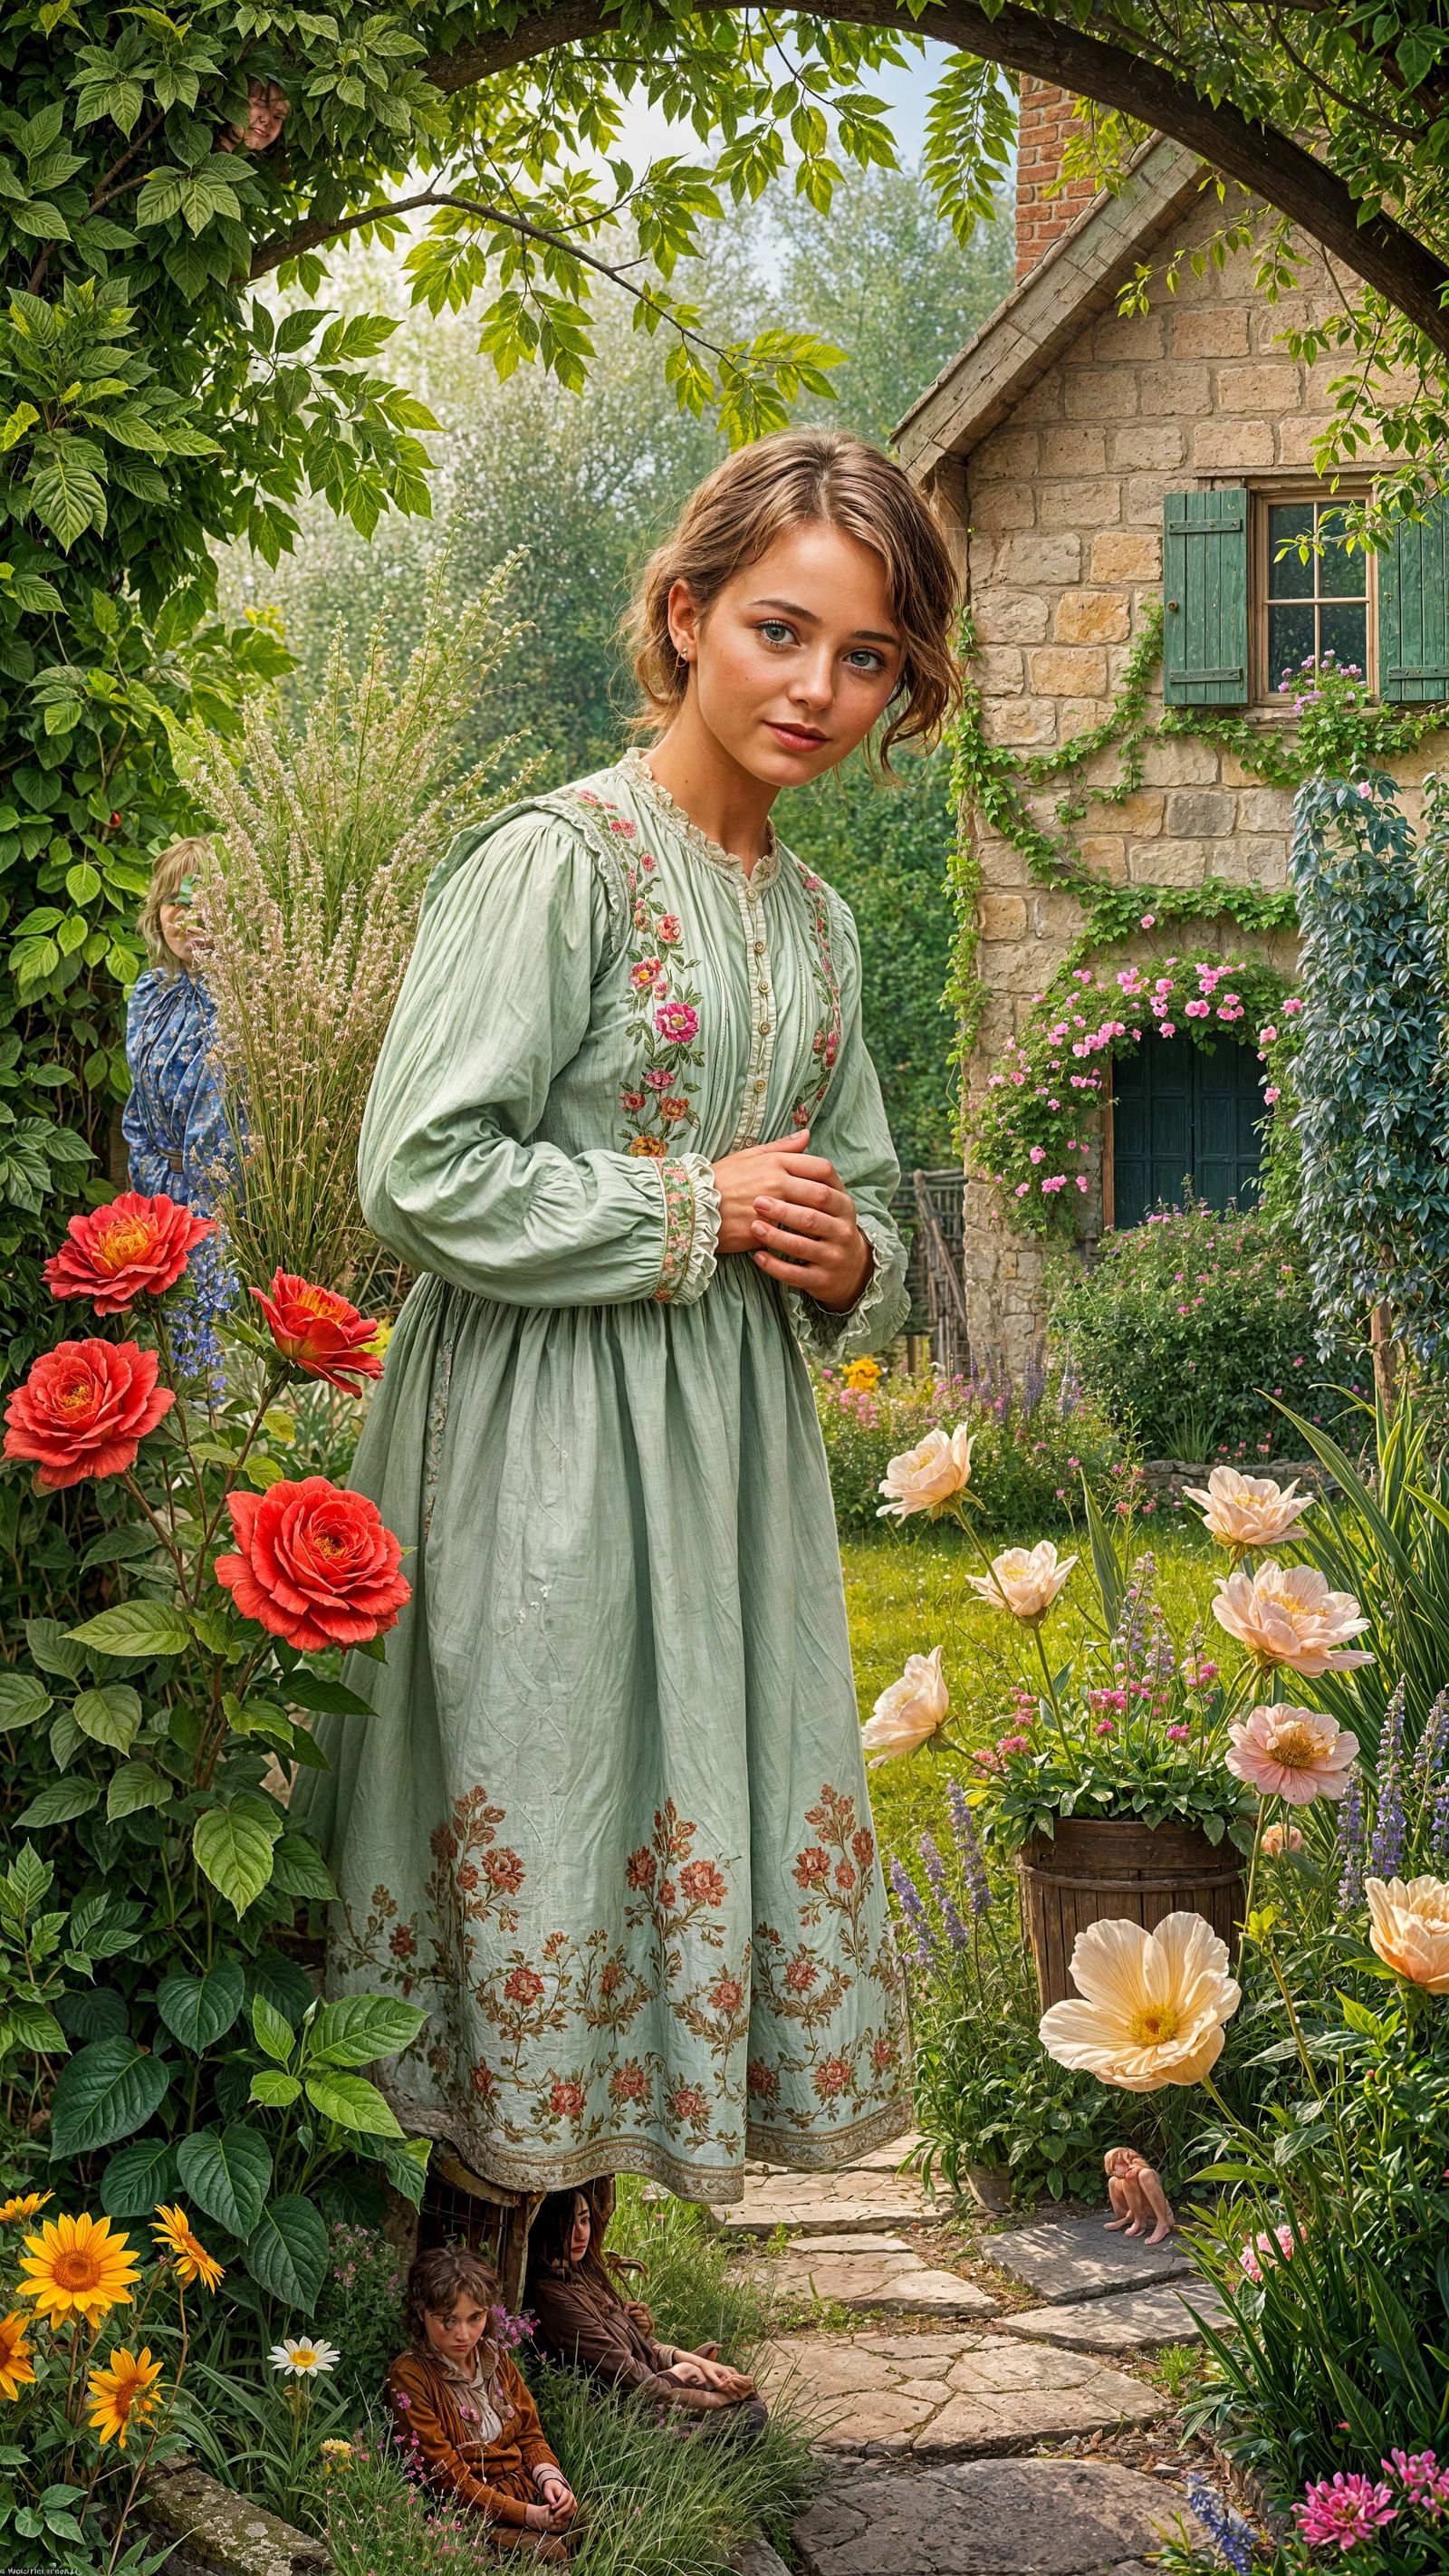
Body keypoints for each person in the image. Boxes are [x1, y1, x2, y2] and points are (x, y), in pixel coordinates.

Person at [294, 427, 962, 2206]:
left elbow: (869, 1187)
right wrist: (693, 1207)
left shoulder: (813, 926)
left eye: (864, 655)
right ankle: (457, 2312)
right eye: (776, 629)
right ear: (682, 618)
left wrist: (846, 1258)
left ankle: (568, 2276)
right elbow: (419, 1169)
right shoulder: (558, 864)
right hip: (540, 1441)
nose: (815, 686)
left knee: (664, 1799)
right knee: (545, 1796)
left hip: (723, 1461)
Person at [123, 835, 236, 1382]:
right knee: (161, 1368)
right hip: (153, 1202)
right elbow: (138, 1103)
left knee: (213, 1376)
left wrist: (205, 1216)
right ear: (157, 913)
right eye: (175, 901)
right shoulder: (148, 991)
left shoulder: (248, 998)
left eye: (202, 900)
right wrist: (146, 1186)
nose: (186, 916)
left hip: (224, 1213)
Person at [387, 2244, 579, 2562]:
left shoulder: (495, 2357)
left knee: (602, 2525)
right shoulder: (410, 2377)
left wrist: (550, 2480)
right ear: (421, 2312)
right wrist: (527, 2515)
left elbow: (529, 2433)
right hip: (468, 2512)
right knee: (552, 2553)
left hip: (527, 2491)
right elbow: (446, 2477)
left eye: (475, 2317)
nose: (463, 2334)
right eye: (447, 2320)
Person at [525, 2186, 767, 2435]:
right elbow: (635, 2382)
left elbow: (646, 2345)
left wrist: (695, 2362)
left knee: (737, 2389)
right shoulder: (552, 2299)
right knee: (749, 2415)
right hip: (625, 2412)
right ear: (548, 2227)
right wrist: (718, 2399)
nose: (580, 2234)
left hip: (653, 2382)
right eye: (567, 2225)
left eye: (584, 2220)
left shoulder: (585, 2272)